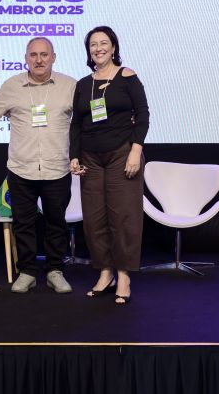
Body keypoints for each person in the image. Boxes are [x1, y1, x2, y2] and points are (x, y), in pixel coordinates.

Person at [0, 37, 76, 294]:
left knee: (56, 223)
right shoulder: (11, 86)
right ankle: (26, 272)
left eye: (44, 54)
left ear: (53, 57)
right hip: (21, 168)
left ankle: (55, 271)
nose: (39, 60)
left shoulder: (70, 86)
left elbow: (86, 122)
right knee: (23, 224)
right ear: (26, 58)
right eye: (33, 55)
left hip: (57, 168)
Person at [70, 26, 149, 305]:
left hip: (121, 155)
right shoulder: (83, 84)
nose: (99, 48)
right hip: (90, 159)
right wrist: (74, 156)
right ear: (88, 50)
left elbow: (143, 115)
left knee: (123, 218)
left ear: (113, 47)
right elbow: (76, 124)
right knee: (94, 220)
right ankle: (105, 273)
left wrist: (135, 151)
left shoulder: (127, 76)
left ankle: (124, 276)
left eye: (104, 43)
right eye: (93, 44)